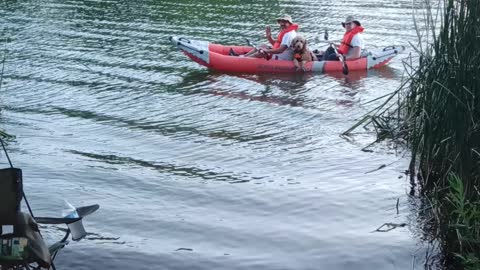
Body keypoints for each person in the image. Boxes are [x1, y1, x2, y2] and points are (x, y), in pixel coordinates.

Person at [233, 15, 298, 60]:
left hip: (283, 57)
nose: (282, 23)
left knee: (261, 53)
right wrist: (269, 37)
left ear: (289, 23)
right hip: (281, 54)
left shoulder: (289, 34)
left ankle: (242, 60)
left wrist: (267, 51)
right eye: (281, 21)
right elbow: (275, 45)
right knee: (262, 46)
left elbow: (280, 50)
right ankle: (243, 57)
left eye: (285, 22)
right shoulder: (286, 32)